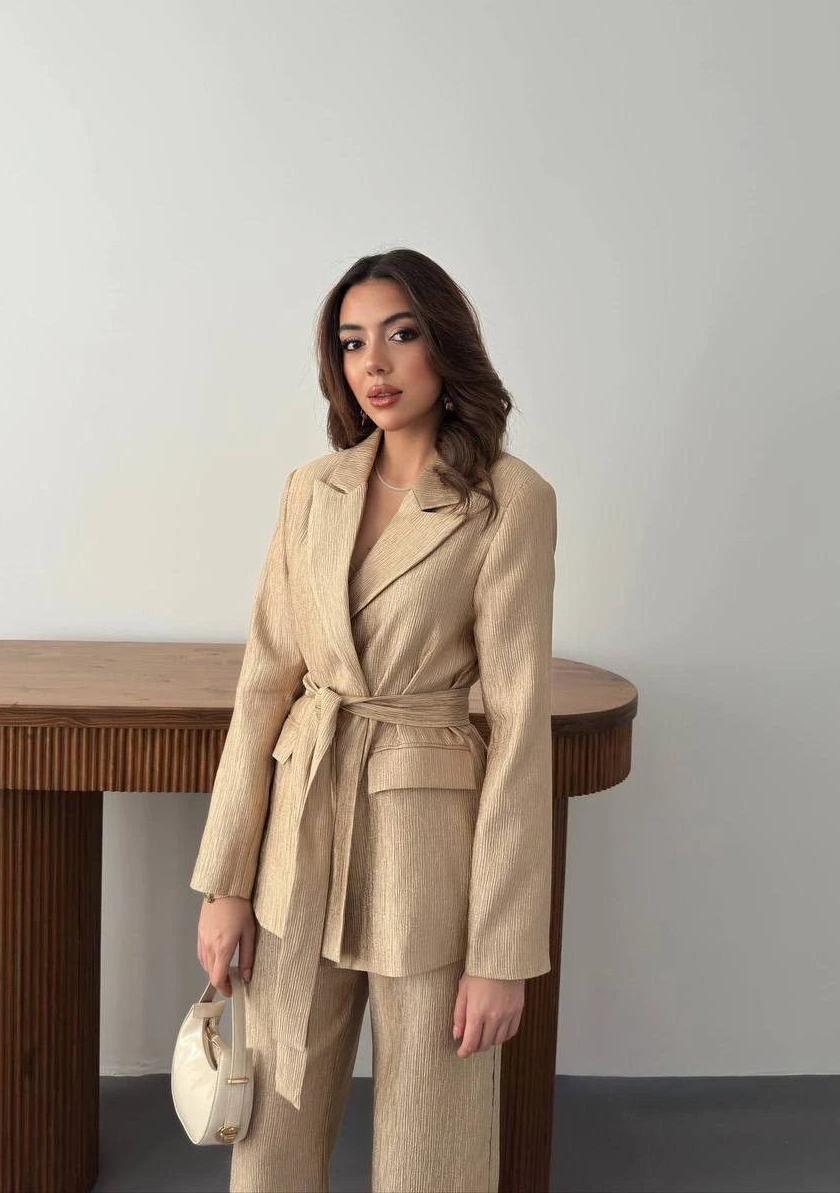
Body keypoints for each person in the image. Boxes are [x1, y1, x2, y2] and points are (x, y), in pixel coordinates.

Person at [190, 247, 557, 1193]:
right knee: (270, 1127)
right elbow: (263, 686)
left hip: (427, 849)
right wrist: (226, 883)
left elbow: (520, 726)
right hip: (298, 837)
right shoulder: (311, 489)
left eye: (401, 334)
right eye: (353, 343)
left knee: (433, 1137)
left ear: (446, 345)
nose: (375, 364)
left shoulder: (508, 500)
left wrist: (502, 953)